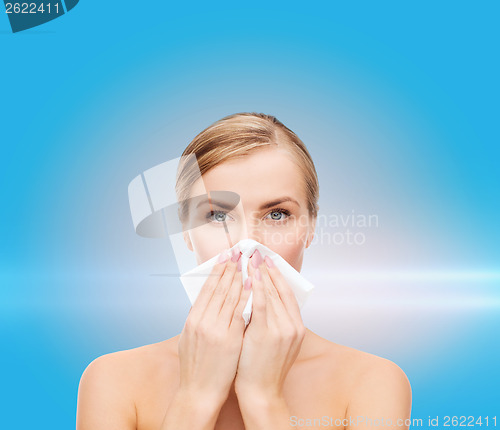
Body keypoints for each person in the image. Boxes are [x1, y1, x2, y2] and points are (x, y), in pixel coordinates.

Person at [76, 112, 412, 430]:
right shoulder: (113, 380)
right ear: (186, 232)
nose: (247, 244)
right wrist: (196, 398)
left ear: (310, 227)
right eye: (217, 216)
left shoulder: (372, 382)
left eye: (277, 214)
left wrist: (263, 398)